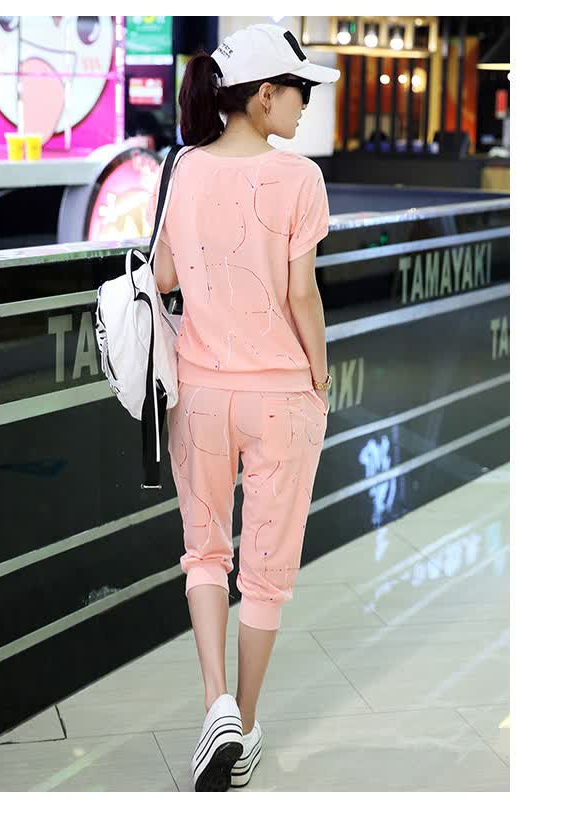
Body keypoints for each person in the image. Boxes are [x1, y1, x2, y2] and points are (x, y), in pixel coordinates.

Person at [150, 23, 340, 791]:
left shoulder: (182, 169)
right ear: (264, 94)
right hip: (279, 398)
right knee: (265, 575)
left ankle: (216, 705)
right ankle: (246, 727)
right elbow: (302, 294)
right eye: (300, 90)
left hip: (199, 394)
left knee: (204, 554)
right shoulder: (299, 178)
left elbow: (163, 276)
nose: (305, 104)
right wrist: (319, 374)